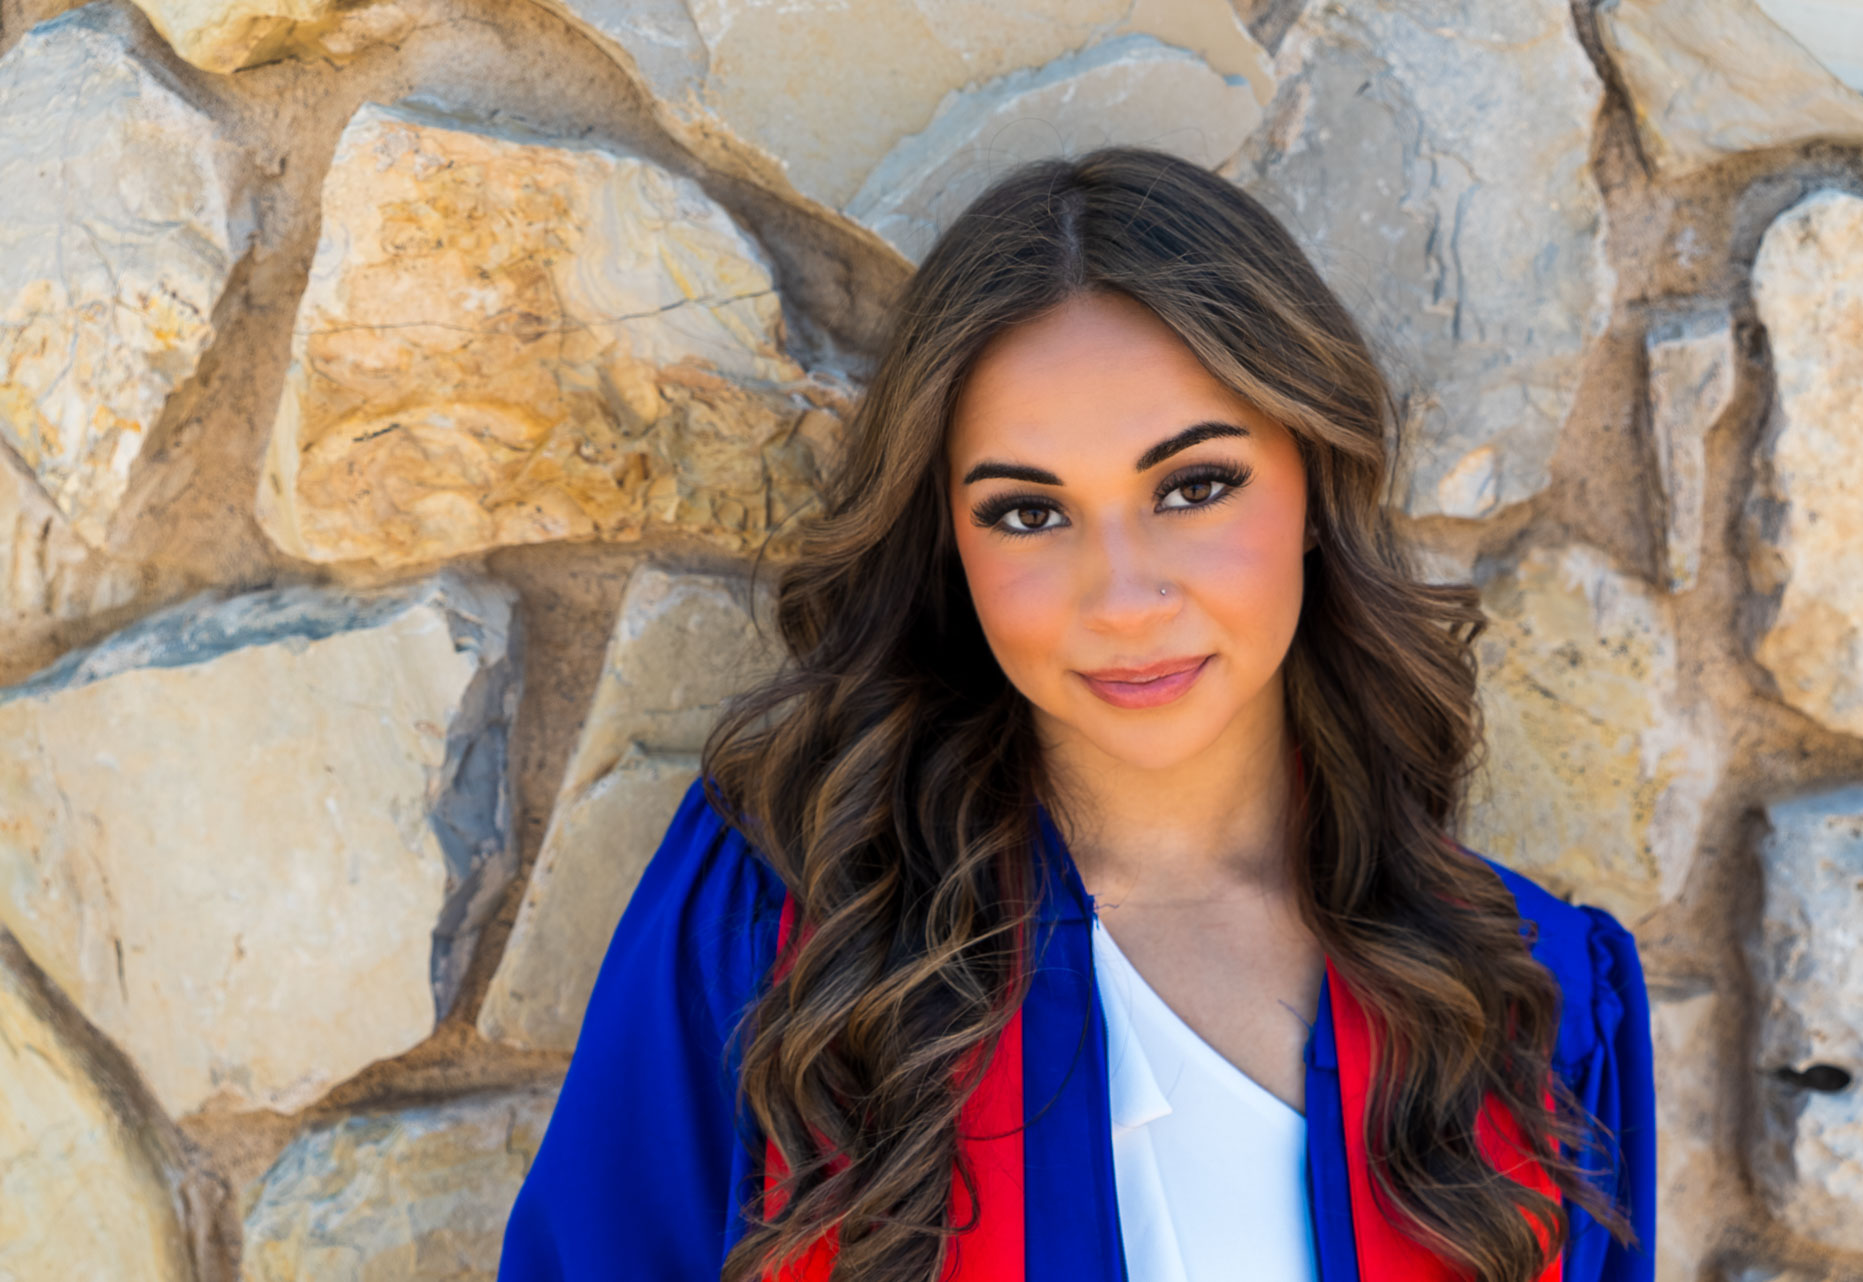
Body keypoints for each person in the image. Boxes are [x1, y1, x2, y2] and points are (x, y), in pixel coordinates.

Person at [496, 147, 1654, 1282]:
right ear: (949, 543)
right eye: (1027, 513)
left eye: (1194, 487)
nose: (1125, 600)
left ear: (1315, 481)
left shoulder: (1526, 1000)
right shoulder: (792, 929)